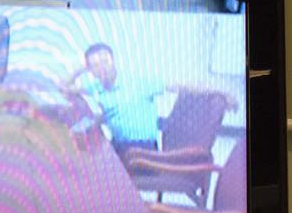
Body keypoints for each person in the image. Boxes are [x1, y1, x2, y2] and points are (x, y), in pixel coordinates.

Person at [63, 43, 237, 163]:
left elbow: (180, 86)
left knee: (90, 167)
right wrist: (81, 69)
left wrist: (221, 92)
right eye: (95, 65)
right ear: (91, 71)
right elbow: (64, 87)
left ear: (113, 61)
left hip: (143, 152)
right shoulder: (95, 87)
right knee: (79, 154)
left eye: (105, 61)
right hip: (118, 146)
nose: (102, 68)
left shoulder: (138, 83)